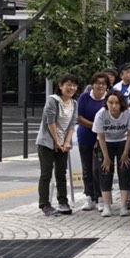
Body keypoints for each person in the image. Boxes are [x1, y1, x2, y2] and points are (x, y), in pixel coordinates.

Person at [36, 73, 79, 217]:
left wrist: (66, 142)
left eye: (74, 85)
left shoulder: (74, 103)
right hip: (47, 142)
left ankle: (63, 202)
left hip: (63, 143)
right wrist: (57, 141)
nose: (71, 88)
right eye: (68, 84)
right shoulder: (53, 101)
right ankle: (44, 204)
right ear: (60, 86)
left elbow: (72, 124)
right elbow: (50, 122)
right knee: (46, 173)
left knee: (61, 173)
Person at [93, 91, 130, 217]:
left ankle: (123, 205)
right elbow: (100, 137)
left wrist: (125, 153)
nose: (113, 106)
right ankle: (107, 205)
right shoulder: (100, 114)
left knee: (124, 171)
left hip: (124, 141)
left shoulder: (129, 112)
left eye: (117, 103)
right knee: (105, 171)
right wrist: (106, 157)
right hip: (106, 142)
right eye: (110, 103)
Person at [75, 72, 108, 211]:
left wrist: (100, 130)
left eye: (103, 83)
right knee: (87, 168)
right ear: (92, 84)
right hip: (86, 136)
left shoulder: (109, 98)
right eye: (97, 82)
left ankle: (100, 196)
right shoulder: (84, 97)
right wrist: (95, 126)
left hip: (103, 138)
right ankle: (89, 196)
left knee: (98, 168)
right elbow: (79, 117)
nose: (100, 86)